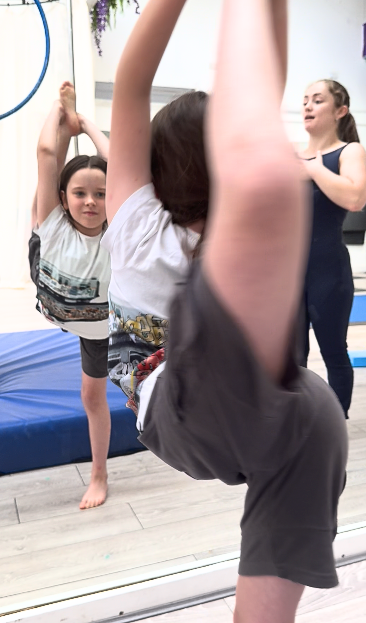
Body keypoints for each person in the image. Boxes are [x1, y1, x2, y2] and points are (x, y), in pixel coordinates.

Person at [103, 1, 348, 621]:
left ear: (159, 166)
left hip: (267, 421)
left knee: (315, 413)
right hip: (179, 400)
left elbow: (133, 85)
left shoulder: (136, 213)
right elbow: (249, 119)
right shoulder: (141, 224)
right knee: (266, 197)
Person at [32, 82, 111, 510]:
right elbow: (48, 155)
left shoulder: (116, 233)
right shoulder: (55, 221)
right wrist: (62, 113)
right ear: (65, 199)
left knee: (91, 396)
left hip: (97, 324)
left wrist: (89, 125)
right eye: (80, 193)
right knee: (42, 199)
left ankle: (99, 473)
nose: (91, 202)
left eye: (101, 194)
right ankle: (68, 121)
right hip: (56, 286)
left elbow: (118, 167)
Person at [299, 80, 366, 419]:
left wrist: (311, 166)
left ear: (340, 111)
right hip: (288, 273)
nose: (308, 106)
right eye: (305, 101)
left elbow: (355, 197)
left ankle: (334, 430)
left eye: (318, 100)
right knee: (291, 358)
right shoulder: (292, 156)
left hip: (328, 270)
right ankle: (293, 427)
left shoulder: (349, 151)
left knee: (334, 353)